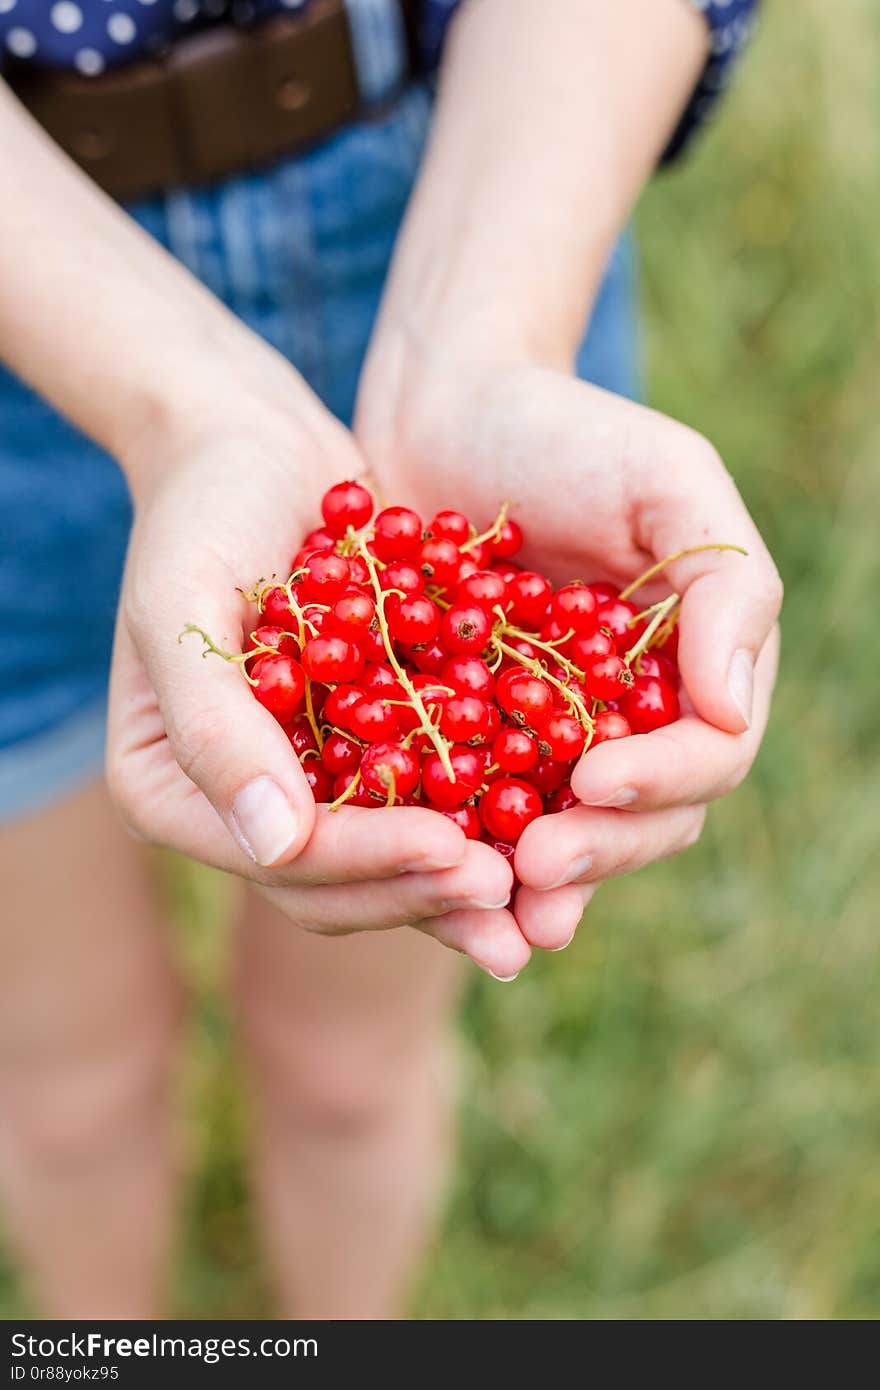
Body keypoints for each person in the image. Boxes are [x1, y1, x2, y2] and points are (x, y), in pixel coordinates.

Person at [0, 0, 780, 1319]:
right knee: (63, 1082)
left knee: (350, 1067)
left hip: (475, 198)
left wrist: (480, 340)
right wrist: (181, 405)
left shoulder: (458, 604)